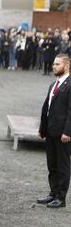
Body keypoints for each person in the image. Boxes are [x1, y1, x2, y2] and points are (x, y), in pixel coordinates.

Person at [37, 54, 71, 208]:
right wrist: (42, 129)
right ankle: (53, 193)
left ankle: (61, 197)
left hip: (63, 133)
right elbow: (47, 108)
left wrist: (68, 132)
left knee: (62, 165)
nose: (53, 66)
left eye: (57, 64)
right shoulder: (53, 84)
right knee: (52, 164)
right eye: (53, 64)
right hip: (50, 132)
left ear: (67, 66)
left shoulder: (69, 84)